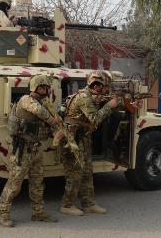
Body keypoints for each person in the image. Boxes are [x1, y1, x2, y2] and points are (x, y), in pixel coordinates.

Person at [0, 75, 59, 227]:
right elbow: (38, 111)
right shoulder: (26, 100)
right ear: (39, 87)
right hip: (22, 150)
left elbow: (41, 126)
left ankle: (38, 212)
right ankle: (3, 212)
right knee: (15, 184)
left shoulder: (43, 102)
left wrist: (55, 132)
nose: (48, 91)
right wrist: (53, 120)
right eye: (46, 87)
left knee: (37, 183)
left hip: (36, 149)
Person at [60, 70, 123, 216]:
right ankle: (67, 205)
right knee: (75, 174)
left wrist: (127, 103)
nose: (106, 90)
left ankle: (88, 204)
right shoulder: (84, 97)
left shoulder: (92, 96)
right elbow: (94, 119)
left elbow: (106, 104)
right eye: (104, 87)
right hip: (73, 140)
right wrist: (109, 106)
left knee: (87, 172)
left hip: (83, 139)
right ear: (96, 86)